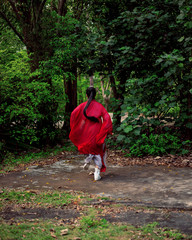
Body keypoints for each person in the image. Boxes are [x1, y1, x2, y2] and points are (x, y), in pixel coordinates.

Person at [69, 87, 113, 181]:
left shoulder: (82, 106)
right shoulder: (99, 106)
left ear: (86, 95)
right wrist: (107, 130)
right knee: (99, 151)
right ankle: (97, 171)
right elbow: (107, 118)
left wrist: (78, 128)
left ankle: (88, 160)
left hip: (86, 133)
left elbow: (73, 115)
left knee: (88, 148)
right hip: (97, 133)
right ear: (95, 95)